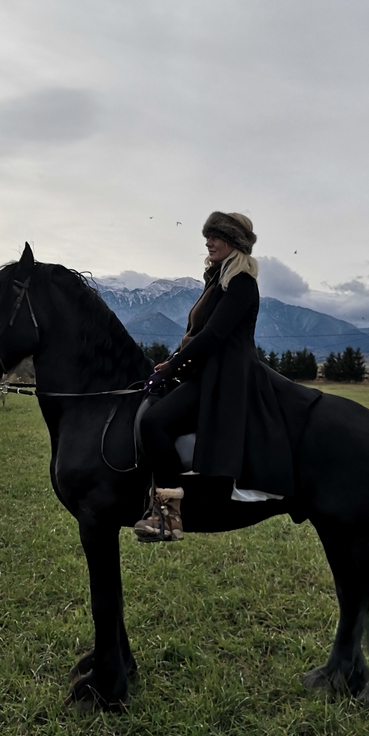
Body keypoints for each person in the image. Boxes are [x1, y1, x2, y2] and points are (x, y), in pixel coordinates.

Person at [134, 211, 292, 542]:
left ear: (234, 243)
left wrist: (173, 366)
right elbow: (199, 335)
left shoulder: (241, 284)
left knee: (153, 423)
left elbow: (214, 335)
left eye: (216, 236)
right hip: (206, 373)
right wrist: (173, 362)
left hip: (226, 378)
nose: (208, 242)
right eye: (208, 236)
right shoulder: (218, 281)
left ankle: (168, 514)